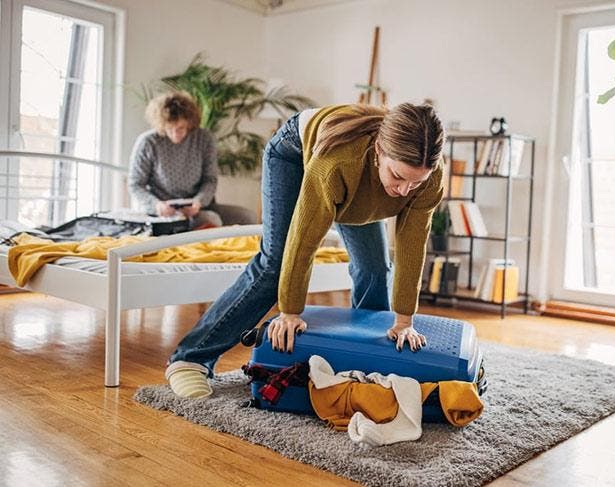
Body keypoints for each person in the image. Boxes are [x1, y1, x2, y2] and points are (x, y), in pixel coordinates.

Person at [165, 103, 444, 399]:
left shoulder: (427, 177)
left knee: (375, 268)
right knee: (276, 264)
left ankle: (366, 362)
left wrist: (403, 322)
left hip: (358, 179)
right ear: (378, 151)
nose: (404, 191)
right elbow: (304, 239)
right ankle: (190, 359)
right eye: (398, 177)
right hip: (295, 152)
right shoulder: (337, 164)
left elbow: (412, 246)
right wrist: (290, 311)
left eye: (416, 182)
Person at [128, 91, 254, 228]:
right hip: (161, 211)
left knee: (247, 217)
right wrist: (156, 205)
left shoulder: (204, 139)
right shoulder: (148, 142)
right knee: (212, 220)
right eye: (170, 129)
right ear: (161, 125)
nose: (175, 134)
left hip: (198, 208)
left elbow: (210, 179)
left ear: (189, 123)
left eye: (181, 128)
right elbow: (135, 184)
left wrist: (198, 202)